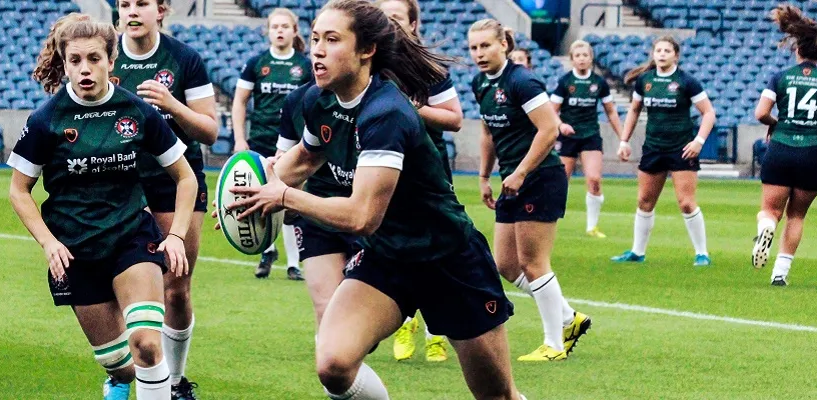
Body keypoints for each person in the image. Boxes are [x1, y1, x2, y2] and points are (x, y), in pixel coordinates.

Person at [225, 1, 525, 398]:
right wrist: (251, 194)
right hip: (387, 257)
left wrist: (283, 196)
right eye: (315, 38)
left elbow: (361, 216)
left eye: (332, 40)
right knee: (333, 363)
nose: (316, 49)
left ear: (367, 50)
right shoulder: (320, 99)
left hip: (448, 260)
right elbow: (306, 156)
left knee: (496, 396)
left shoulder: (387, 112)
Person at [10, 14, 198, 400]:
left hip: (132, 237)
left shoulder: (137, 112)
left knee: (147, 343)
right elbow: (19, 190)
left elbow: (186, 177)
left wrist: (176, 234)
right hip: (76, 251)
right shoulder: (46, 120)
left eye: (94, 59)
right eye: (75, 60)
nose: (85, 69)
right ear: (64, 64)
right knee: (121, 363)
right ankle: (117, 378)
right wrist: (49, 243)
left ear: (111, 61)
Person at [112, 1, 217, 397]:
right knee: (126, 284)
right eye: (125, 4)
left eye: (142, 3)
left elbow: (209, 131)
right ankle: (124, 372)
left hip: (178, 181)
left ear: (162, 10)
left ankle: (175, 381)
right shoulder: (107, 54)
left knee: (176, 286)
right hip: (123, 185)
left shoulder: (184, 59)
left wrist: (171, 105)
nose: (132, 11)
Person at [469, 19, 589, 362]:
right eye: (474, 47)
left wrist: (521, 171)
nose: (479, 53)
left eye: (485, 46)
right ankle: (568, 317)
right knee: (506, 264)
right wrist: (483, 175)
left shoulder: (521, 80)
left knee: (534, 263)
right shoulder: (481, 83)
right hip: (511, 180)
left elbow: (549, 130)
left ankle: (554, 344)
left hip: (539, 178)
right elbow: (488, 133)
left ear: (504, 44)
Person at [377, 0, 463, 364]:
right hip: (383, 168)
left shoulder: (430, 68)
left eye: (396, 17)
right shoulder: (371, 66)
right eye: (384, 17)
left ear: (413, 24)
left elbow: (455, 119)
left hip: (428, 172)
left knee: (436, 253)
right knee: (394, 248)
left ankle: (436, 333)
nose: (389, 23)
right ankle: (404, 322)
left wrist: (414, 109)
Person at [752, 5, 817, 285]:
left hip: (781, 147)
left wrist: (775, 122)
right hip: (814, 152)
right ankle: (780, 274)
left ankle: (766, 227)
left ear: (798, 49)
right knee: (797, 214)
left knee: (770, 210)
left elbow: (760, 113)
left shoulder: (779, 77)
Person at [611, 36, 717, 267]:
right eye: (658, 50)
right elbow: (634, 110)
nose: (661, 54)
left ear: (675, 55)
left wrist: (698, 141)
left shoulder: (687, 81)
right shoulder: (645, 81)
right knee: (644, 201)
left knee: (686, 203)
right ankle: (637, 252)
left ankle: (702, 253)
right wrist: (623, 140)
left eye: (667, 50)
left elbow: (708, 113)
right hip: (653, 147)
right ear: (653, 54)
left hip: (681, 149)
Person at [232, 8, 312, 280]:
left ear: (294, 30)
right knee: (261, 197)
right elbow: (240, 101)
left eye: (284, 26)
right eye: (275, 26)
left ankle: (293, 263)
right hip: (261, 140)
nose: (279, 30)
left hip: (294, 145)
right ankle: (267, 250)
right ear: (267, 30)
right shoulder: (256, 63)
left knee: (289, 202)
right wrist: (240, 139)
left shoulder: (306, 66)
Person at [550, 40, 624, 238]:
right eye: (578, 56)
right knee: (560, 182)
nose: (582, 59)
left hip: (590, 135)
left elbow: (611, 112)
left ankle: (592, 227)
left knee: (594, 179)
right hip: (567, 137)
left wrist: (623, 139)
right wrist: (560, 125)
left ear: (591, 58)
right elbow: (551, 111)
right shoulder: (565, 82)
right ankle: (549, 222)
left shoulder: (599, 83)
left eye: (585, 55)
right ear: (572, 59)